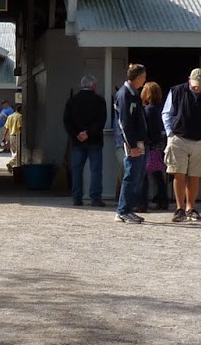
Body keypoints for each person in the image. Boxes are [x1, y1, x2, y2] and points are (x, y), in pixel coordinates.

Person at [162, 68, 201, 223]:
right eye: (194, 84)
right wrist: (170, 133)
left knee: (195, 175)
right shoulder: (176, 91)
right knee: (178, 172)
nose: (196, 87)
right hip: (179, 138)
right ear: (189, 79)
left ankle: (191, 208)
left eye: (200, 85)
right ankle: (179, 208)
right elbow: (167, 113)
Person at [111, 63, 149, 224]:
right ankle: (123, 211)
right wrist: (132, 145)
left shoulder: (132, 94)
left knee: (136, 176)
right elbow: (124, 123)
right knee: (131, 175)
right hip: (131, 144)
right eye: (144, 77)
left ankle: (128, 209)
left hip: (138, 142)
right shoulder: (125, 95)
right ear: (138, 77)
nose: (145, 80)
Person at [62, 75, 107, 206]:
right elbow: (101, 121)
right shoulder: (100, 101)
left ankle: (77, 197)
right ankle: (95, 198)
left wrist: (77, 134)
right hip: (95, 140)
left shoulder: (72, 101)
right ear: (93, 86)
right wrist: (88, 133)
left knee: (76, 170)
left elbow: (67, 121)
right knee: (96, 170)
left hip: (77, 142)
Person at [140, 80, 169, 211]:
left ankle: (142, 203)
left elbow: (150, 129)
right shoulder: (160, 109)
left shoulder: (148, 110)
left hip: (151, 145)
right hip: (159, 145)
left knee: (144, 176)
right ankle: (162, 200)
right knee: (158, 175)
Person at [4, 104, 24, 169]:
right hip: (17, 136)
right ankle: (11, 163)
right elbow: (20, 127)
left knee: (13, 152)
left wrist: (4, 137)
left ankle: (14, 167)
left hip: (11, 136)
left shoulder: (10, 116)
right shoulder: (20, 116)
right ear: (20, 110)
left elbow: (6, 128)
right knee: (19, 153)